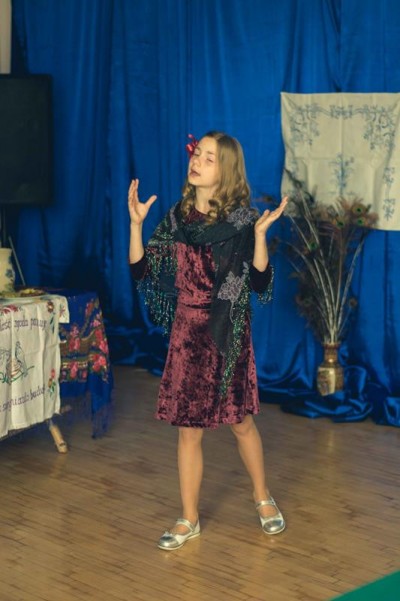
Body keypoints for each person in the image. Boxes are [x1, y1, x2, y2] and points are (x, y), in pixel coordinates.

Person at [129, 131, 288, 551]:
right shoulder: (177, 219)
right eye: (196, 153)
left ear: (227, 170)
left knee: (241, 422)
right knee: (188, 432)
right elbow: (142, 272)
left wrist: (259, 238)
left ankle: (262, 496)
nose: (196, 161)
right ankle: (189, 518)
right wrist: (136, 226)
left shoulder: (242, 223)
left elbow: (260, 284)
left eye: (209, 157)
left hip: (227, 334)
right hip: (187, 336)